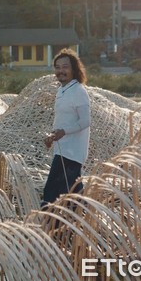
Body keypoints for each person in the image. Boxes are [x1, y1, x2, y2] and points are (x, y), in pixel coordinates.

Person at [42, 48, 91, 206]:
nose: (61, 71)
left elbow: (85, 121)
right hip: (62, 150)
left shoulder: (78, 91)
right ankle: (74, 226)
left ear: (74, 69)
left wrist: (64, 132)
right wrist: (53, 136)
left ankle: (62, 228)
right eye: (57, 67)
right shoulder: (62, 91)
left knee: (54, 196)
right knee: (69, 197)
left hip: (73, 154)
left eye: (65, 67)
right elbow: (63, 121)